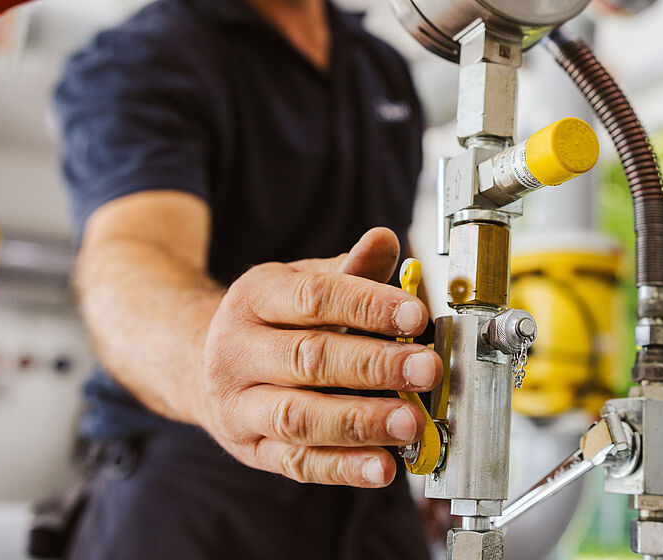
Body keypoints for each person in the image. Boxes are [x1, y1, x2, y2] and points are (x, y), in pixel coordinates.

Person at [51, 0, 437, 557]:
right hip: (196, 481)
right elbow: (130, 256)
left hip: (372, 474)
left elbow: (396, 252)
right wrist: (210, 364)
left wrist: (436, 418)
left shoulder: (381, 65)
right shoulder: (144, 55)